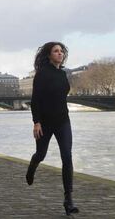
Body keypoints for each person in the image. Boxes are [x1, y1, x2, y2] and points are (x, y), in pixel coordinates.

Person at [26, 42, 79, 216]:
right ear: (49, 55)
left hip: (63, 121)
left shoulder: (63, 74)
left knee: (67, 157)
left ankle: (68, 200)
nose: (60, 53)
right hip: (45, 122)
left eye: (61, 51)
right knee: (41, 154)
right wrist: (37, 122)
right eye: (56, 51)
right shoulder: (42, 74)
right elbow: (35, 100)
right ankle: (33, 165)